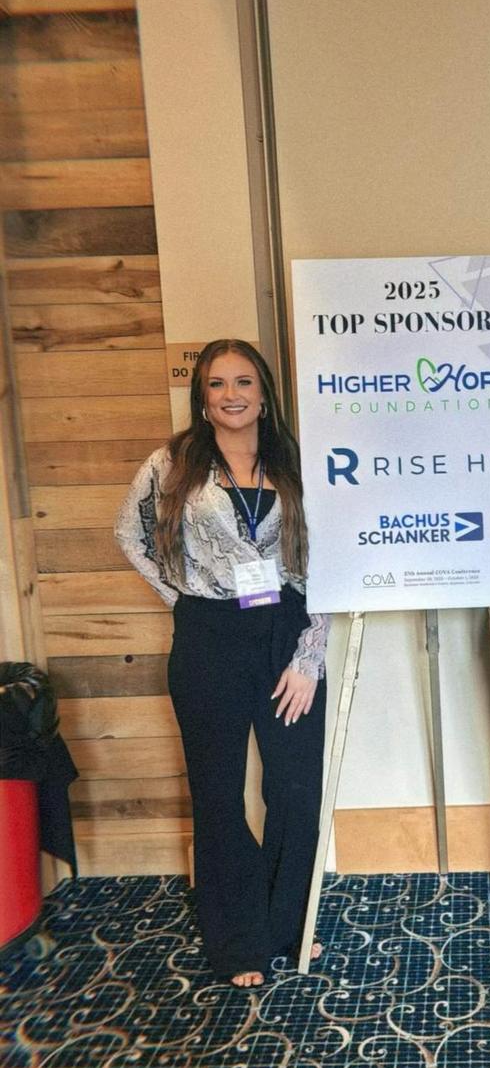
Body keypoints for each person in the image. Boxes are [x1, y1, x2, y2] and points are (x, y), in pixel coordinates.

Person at [115, 339, 328, 988]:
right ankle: (238, 940)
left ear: (264, 394)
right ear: (202, 399)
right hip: (209, 638)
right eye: (217, 384)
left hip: (287, 632)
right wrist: (184, 596)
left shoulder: (295, 462)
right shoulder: (172, 463)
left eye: (243, 382)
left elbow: (329, 562)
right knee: (217, 792)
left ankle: (287, 923)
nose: (231, 394)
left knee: (295, 788)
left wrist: (310, 655)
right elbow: (130, 534)